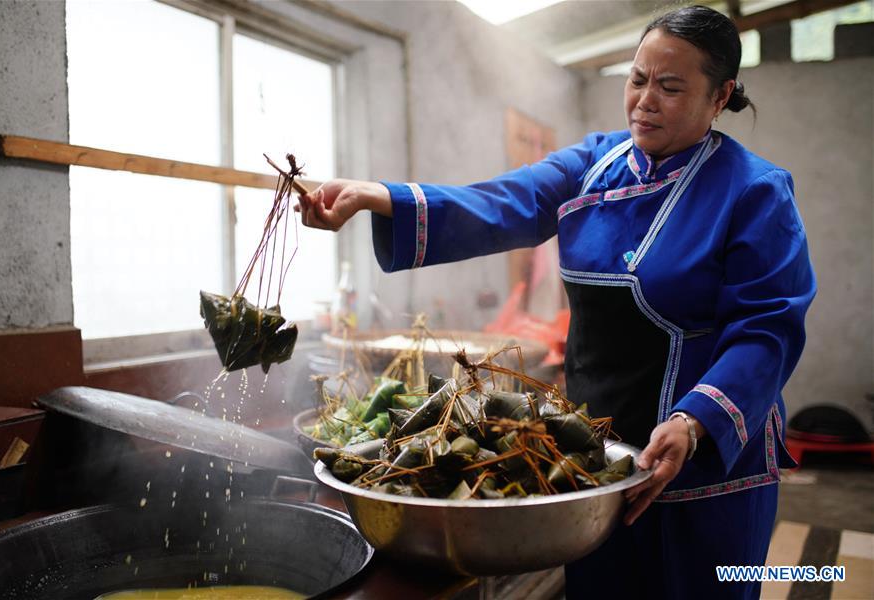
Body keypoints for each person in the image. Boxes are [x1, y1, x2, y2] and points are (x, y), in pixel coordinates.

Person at [296, 5, 815, 598]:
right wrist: (375, 196)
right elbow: (501, 202)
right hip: (593, 456)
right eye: (637, 79)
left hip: (703, 461)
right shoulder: (594, 165)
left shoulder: (752, 191)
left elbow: (766, 327)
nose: (645, 100)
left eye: (670, 87)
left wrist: (695, 421)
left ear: (720, 95)